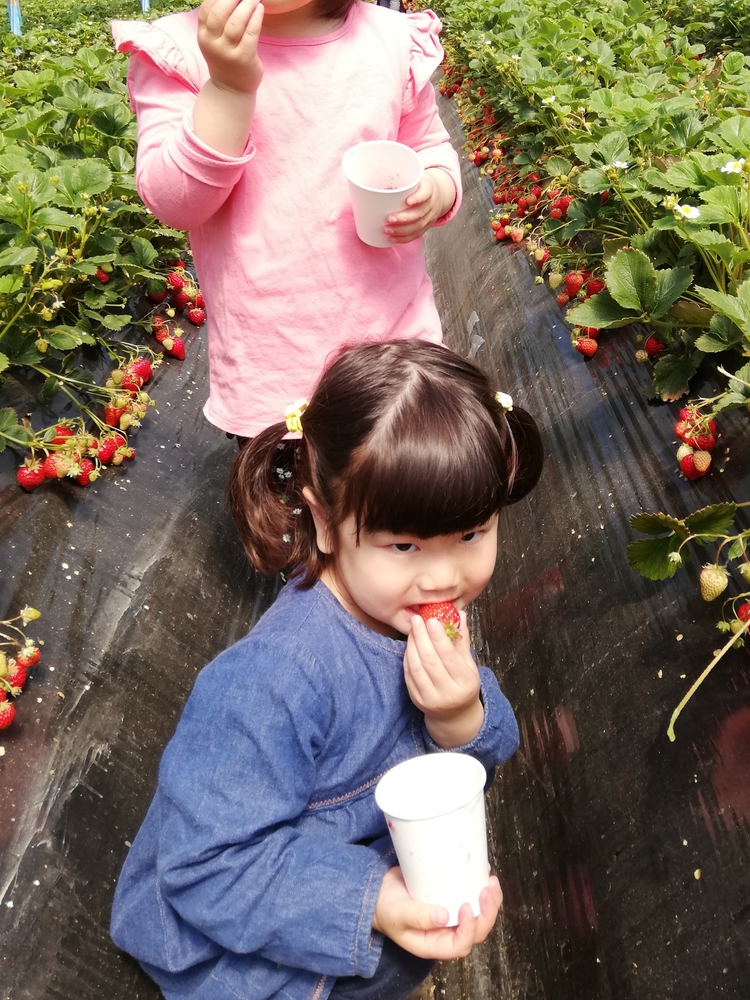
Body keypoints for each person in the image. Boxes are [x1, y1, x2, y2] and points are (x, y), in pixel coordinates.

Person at [110, 339, 544, 1000]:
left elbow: (483, 754)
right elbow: (204, 866)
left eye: (471, 534)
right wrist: (373, 900)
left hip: (343, 884)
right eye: (404, 545)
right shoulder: (277, 679)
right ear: (324, 519)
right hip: (242, 958)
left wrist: (461, 716)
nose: (444, 576)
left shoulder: (409, 609)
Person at [111, 0, 462, 440]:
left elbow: (429, 145)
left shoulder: (392, 40)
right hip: (270, 370)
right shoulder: (182, 50)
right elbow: (175, 202)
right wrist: (228, 88)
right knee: (288, 485)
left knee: (406, 479)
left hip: (397, 348)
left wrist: (437, 188)